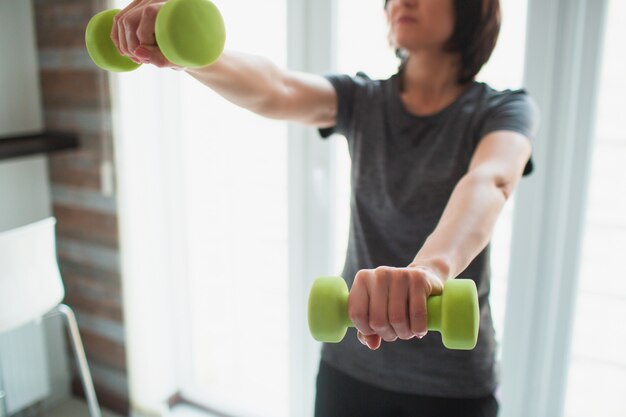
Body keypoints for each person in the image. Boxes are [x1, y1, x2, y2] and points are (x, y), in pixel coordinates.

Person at [112, 0, 538, 415]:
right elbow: (276, 87)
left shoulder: (503, 109)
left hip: (452, 380)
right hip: (351, 365)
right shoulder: (364, 98)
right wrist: (188, 50)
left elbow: (490, 181)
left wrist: (430, 270)